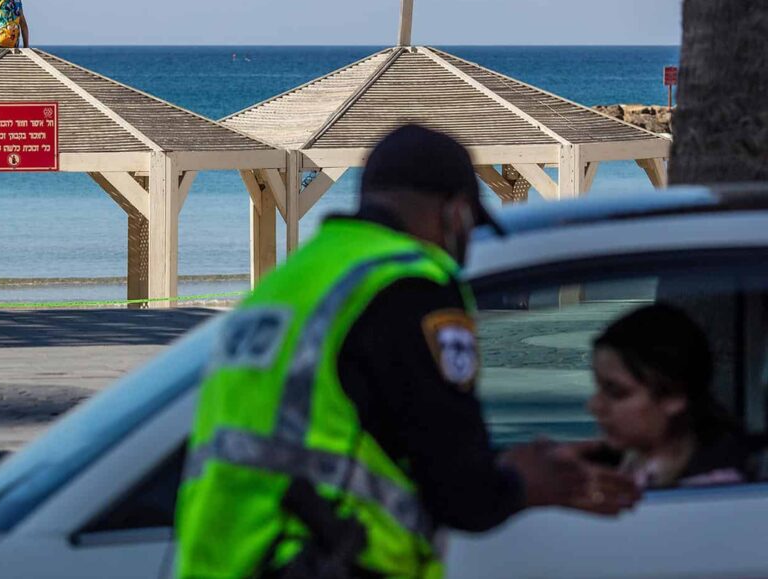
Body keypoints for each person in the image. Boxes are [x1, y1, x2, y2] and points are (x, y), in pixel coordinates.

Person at [175, 125, 639, 579]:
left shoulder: (290, 283)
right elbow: (463, 494)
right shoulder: (411, 287)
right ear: (455, 214)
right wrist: (527, 484)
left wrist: (505, 465)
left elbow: (350, 435)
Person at [588, 303, 750, 489]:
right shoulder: (618, 463)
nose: (595, 405)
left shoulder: (713, 488)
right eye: (599, 388)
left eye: (616, 393)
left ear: (673, 397)